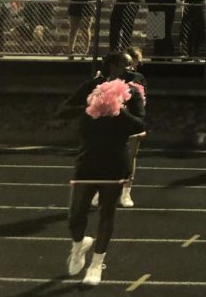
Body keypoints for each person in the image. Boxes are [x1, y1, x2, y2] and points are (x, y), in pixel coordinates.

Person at [57, 52, 146, 286]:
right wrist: (92, 104)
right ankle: (79, 244)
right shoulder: (92, 86)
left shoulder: (134, 92)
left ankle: (96, 264)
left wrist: (118, 108)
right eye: (124, 64)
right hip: (88, 158)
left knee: (107, 213)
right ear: (111, 66)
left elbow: (140, 124)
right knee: (76, 216)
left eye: (130, 65)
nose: (129, 68)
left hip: (115, 159)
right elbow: (62, 111)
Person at [121, 46, 148, 207]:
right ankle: (102, 188)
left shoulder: (138, 78)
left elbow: (142, 102)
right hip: (113, 121)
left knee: (131, 156)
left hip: (131, 120)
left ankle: (126, 191)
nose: (135, 67)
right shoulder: (110, 77)